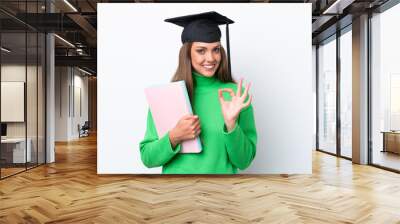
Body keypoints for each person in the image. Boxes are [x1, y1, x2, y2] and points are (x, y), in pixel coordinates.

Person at [139, 11, 257, 174]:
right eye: (201, 50)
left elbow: (244, 161)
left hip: (221, 193)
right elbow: (148, 158)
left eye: (216, 49)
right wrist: (174, 136)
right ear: (187, 53)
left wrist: (231, 124)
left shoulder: (235, 94)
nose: (210, 58)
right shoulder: (167, 95)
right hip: (176, 192)